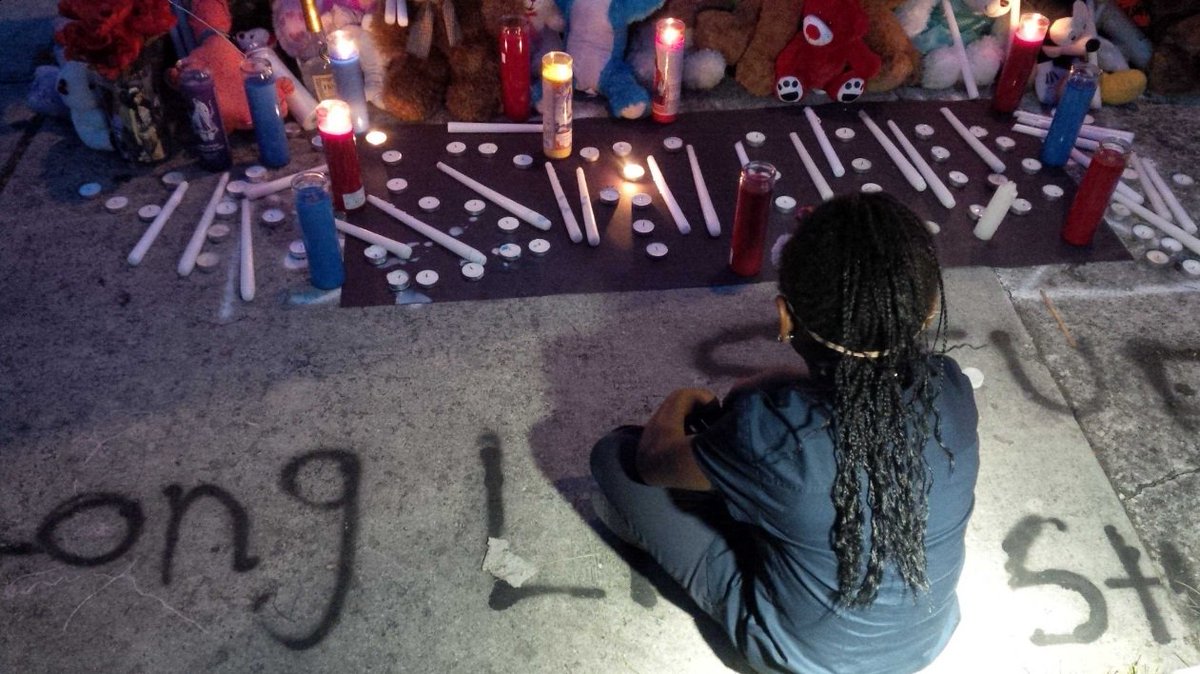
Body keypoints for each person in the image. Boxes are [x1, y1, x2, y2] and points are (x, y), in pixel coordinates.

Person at [589, 192, 980, 674]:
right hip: (926, 641)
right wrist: (770, 391)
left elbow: (653, 464)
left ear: (784, 317)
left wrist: (677, 402)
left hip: (802, 659)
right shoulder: (953, 388)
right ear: (928, 310)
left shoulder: (770, 431)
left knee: (614, 458)